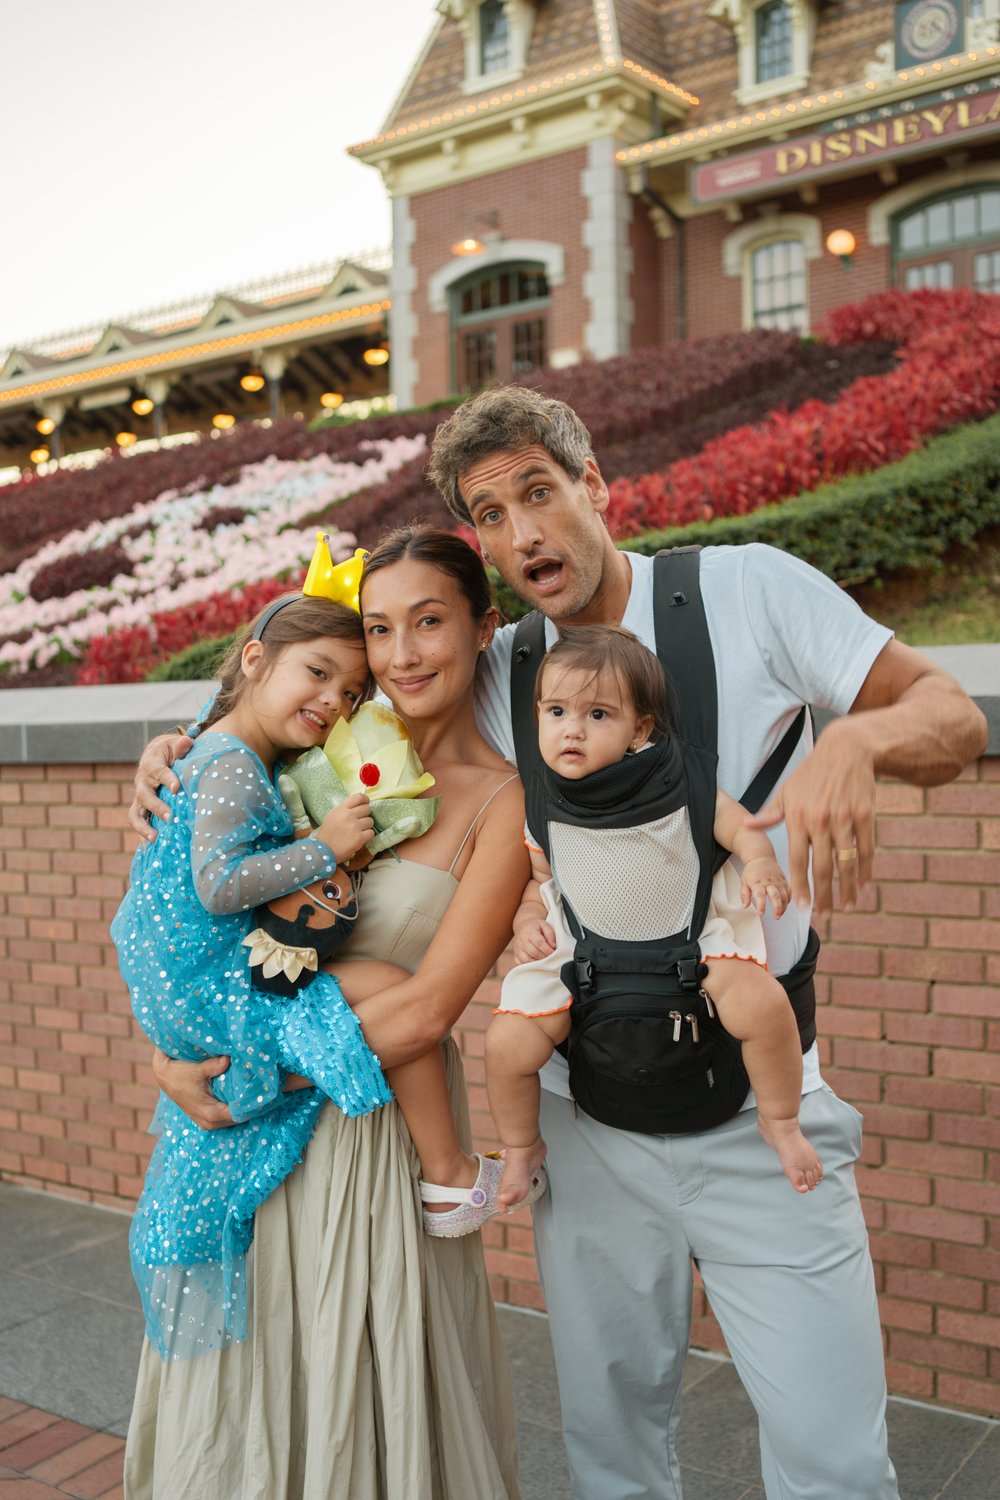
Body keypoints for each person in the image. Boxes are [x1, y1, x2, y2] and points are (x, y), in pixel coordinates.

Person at [133, 387, 987, 1500]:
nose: (523, 531)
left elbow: (953, 719)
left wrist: (859, 742)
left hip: (761, 1115)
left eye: (540, 491)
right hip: (585, 1124)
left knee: (833, 1461)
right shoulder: (496, 671)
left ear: (594, 486)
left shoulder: (751, 589)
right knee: (609, 1457)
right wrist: (179, 753)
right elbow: (311, 707)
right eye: (491, 515)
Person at [125, 525, 529, 1500]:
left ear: (483, 629)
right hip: (255, 1143)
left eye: (428, 622)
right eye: (379, 629)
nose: (400, 654)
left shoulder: (501, 803)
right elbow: (202, 919)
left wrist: (240, 1068)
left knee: (365, 1403)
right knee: (246, 1401)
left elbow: (429, 1011)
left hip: (370, 1139)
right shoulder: (310, 756)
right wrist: (175, 744)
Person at [487, 622, 823, 1211]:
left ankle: (782, 1120)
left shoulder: (679, 780)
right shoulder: (542, 802)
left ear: (639, 728)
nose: (572, 728)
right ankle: (520, 1147)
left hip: (689, 943)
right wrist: (524, 923)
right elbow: (543, 882)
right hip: (584, 952)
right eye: (558, 711)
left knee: (762, 1006)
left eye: (597, 715)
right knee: (505, 1043)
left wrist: (762, 862)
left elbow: (738, 826)